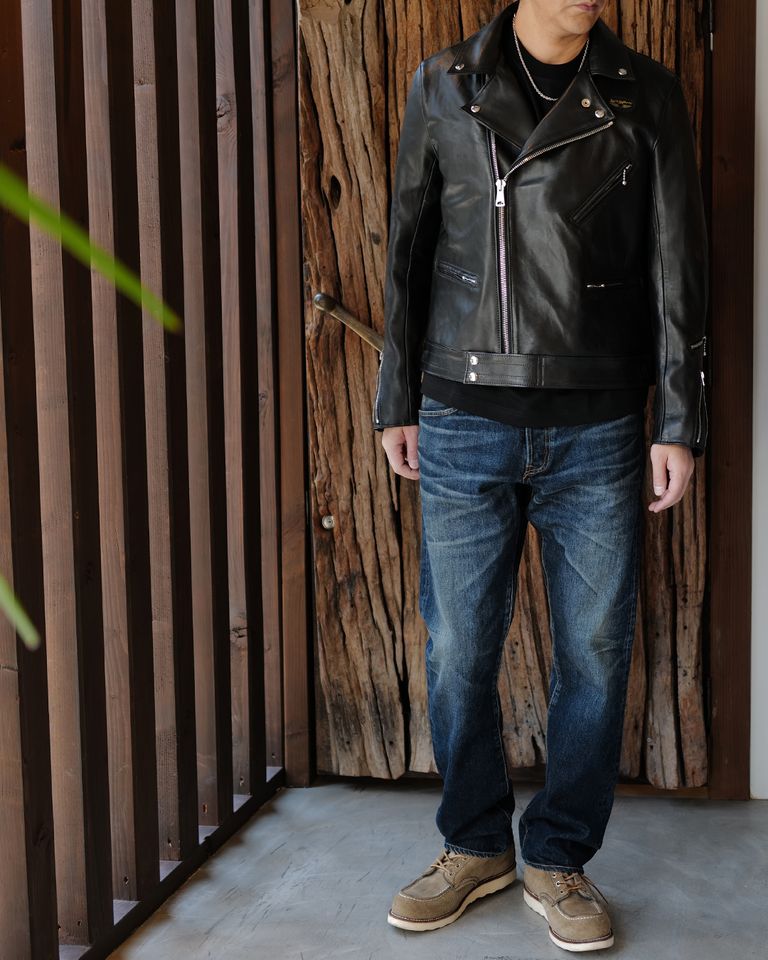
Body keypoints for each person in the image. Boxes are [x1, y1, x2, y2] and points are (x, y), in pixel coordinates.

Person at [373, 0, 708, 953]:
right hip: (462, 413)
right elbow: (407, 250)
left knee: (594, 653)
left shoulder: (646, 95)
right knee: (457, 649)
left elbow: (678, 264)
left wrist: (678, 421)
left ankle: (558, 856)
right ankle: (474, 845)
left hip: (597, 420)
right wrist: (396, 399)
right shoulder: (444, 84)